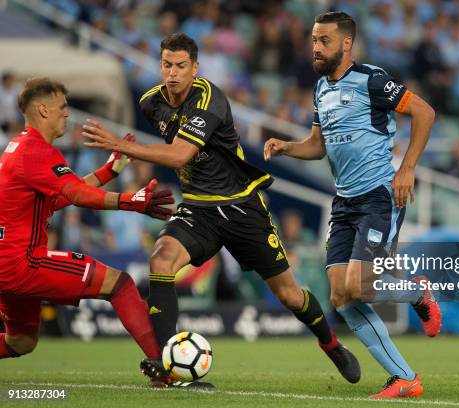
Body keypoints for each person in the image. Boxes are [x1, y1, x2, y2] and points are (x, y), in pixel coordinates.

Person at [80, 32, 360, 388]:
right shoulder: (151, 102)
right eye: (167, 64)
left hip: (241, 206)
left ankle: (330, 343)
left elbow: (180, 154)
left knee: (289, 294)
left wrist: (120, 145)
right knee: (161, 260)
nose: (173, 73)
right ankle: (169, 367)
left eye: (181, 65)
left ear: (195, 68)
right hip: (198, 208)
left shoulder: (209, 98)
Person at [263, 12, 441, 399]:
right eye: (313, 39)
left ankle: (417, 294)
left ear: (346, 43)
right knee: (341, 296)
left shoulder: (373, 79)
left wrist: (406, 168)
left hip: (380, 195)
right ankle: (405, 378)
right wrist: (287, 147)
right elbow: (318, 145)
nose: (315, 47)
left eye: (323, 40)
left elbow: (424, 113)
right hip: (344, 201)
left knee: (359, 285)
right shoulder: (321, 89)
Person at [0, 77, 174, 373]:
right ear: (43, 110)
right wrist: (130, 200)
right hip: (23, 263)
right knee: (119, 284)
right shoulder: (37, 151)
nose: (67, 113)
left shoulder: (19, 147)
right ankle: (164, 368)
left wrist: (109, 171)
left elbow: (59, 197)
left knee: (22, 342)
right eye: (62, 107)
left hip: (7, 263)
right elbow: (76, 194)